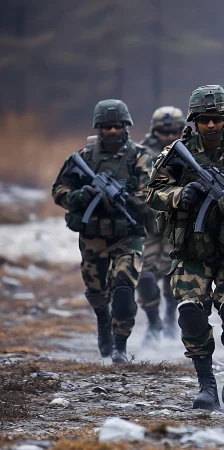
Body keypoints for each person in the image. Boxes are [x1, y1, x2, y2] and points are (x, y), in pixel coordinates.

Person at [147, 85, 224, 410]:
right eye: (204, 120)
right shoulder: (177, 154)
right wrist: (181, 195)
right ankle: (206, 381)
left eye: (217, 119)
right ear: (194, 121)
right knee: (192, 315)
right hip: (191, 250)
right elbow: (153, 193)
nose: (211, 125)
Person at [52, 99, 151, 364]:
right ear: (99, 128)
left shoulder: (139, 156)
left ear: (126, 126)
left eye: (117, 126)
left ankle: (119, 344)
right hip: (93, 236)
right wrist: (80, 196)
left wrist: (125, 199)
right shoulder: (84, 157)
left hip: (127, 235)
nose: (111, 132)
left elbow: (150, 196)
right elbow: (58, 190)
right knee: (96, 292)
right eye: (106, 127)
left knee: (123, 288)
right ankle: (102, 320)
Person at [137, 106, 185, 342]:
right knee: (144, 277)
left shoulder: (189, 153)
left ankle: (169, 318)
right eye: (163, 132)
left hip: (177, 227)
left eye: (174, 131)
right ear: (155, 131)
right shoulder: (142, 155)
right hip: (149, 227)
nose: (169, 136)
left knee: (172, 278)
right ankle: (153, 322)